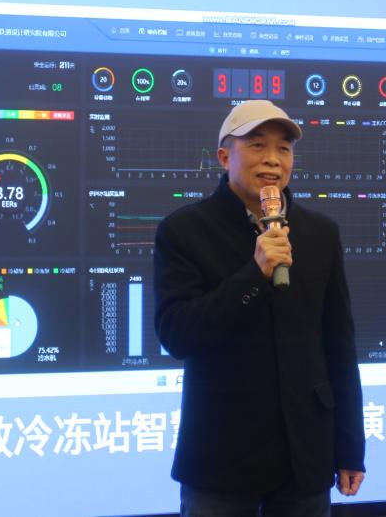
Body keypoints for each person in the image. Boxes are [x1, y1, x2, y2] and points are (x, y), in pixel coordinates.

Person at [154, 99, 366, 517]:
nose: (272, 159)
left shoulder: (320, 233)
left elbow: (339, 347)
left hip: (305, 454)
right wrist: (255, 275)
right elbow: (177, 334)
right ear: (224, 156)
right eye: (257, 145)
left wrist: (349, 447)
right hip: (221, 456)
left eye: (283, 148)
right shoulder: (184, 231)